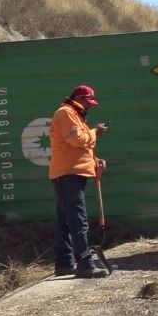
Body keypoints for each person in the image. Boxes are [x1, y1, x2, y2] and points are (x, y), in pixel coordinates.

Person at [49, 85, 110, 279]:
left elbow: (79, 149)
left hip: (70, 173)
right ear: (78, 98)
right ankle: (84, 264)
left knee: (66, 221)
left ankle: (65, 263)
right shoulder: (65, 113)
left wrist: (94, 160)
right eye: (88, 102)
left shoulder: (75, 115)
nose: (90, 107)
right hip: (68, 175)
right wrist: (95, 133)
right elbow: (77, 140)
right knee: (78, 221)